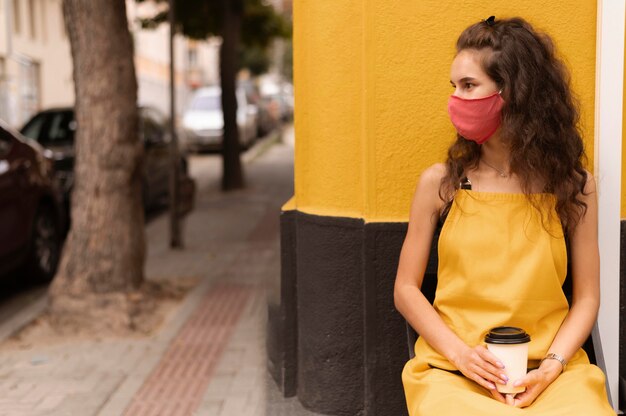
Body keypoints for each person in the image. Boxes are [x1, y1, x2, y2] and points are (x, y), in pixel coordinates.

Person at [393, 16, 616, 415]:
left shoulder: (574, 186)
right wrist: (461, 355)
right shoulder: (440, 184)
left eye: (469, 86)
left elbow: (586, 298)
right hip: (454, 372)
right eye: (454, 87)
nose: (456, 100)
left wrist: (552, 367)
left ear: (513, 91)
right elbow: (406, 290)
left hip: (551, 374)